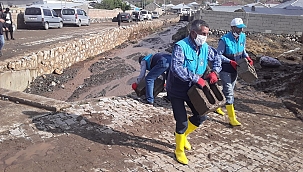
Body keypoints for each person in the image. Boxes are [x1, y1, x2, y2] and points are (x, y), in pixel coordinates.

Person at [166, 19, 222, 165]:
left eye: (207, 34)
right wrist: (196, 78)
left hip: (194, 90)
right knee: (182, 122)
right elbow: (176, 68)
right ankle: (178, 150)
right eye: (203, 33)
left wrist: (215, 72)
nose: (205, 36)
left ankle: (182, 135)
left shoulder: (205, 47)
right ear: (193, 33)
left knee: (201, 117)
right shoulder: (181, 46)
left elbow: (217, 58)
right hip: (177, 90)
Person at [215, 18, 253, 126]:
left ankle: (217, 106)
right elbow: (219, 55)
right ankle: (232, 119)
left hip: (236, 69)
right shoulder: (224, 40)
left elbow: (243, 50)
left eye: (241, 28)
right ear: (232, 28)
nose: (240, 30)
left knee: (228, 90)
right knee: (229, 93)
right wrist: (230, 61)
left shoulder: (242, 37)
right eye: (238, 28)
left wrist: (247, 58)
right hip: (225, 69)